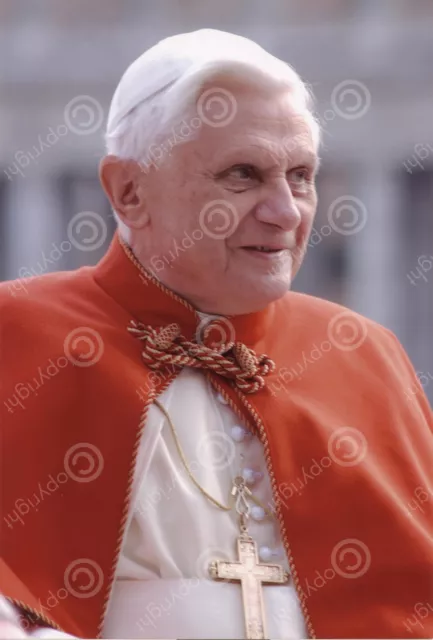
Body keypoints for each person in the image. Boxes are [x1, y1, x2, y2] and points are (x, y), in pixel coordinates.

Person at [1, 28, 432, 640]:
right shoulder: (14, 337)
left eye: (302, 176)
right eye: (243, 175)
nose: (285, 211)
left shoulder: (363, 354)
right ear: (129, 191)